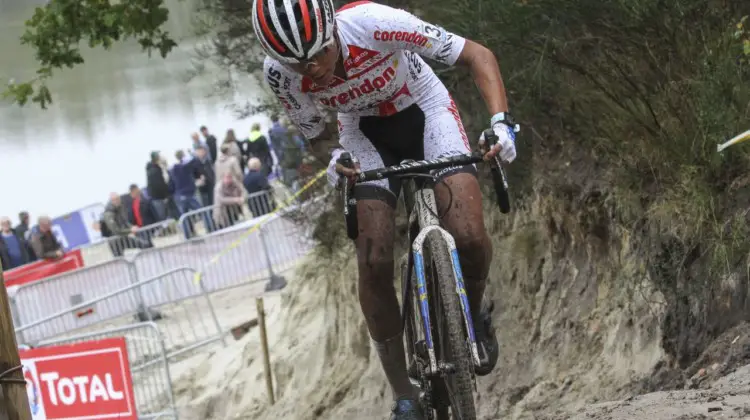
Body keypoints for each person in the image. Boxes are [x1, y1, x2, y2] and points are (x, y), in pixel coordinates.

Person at [252, 1, 517, 418]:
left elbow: (477, 55)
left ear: (332, 29)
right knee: (374, 262)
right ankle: (404, 395)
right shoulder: (278, 74)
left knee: (467, 234)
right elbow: (317, 134)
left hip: (424, 108)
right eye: (297, 64)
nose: (313, 69)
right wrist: (334, 156)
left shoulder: (377, 24)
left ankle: (474, 313)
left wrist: (501, 124)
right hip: (362, 133)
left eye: (319, 53)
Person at [103, 192, 153, 257]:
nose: (118, 201)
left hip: (124, 237)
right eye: (115, 199)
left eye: (118, 198)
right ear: (111, 200)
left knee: (146, 245)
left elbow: (125, 221)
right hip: (115, 242)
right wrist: (130, 230)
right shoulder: (108, 213)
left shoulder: (120, 207)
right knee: (120, 261)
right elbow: (115, 230)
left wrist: (132, 227)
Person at [146, 151, 171, 221]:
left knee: (164, 216)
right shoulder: (154, 170)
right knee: (163, 217)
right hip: (159, 198)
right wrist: (165, 196)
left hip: (157, 197)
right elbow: (159, 185)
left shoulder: (153, 168)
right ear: (157, 158)